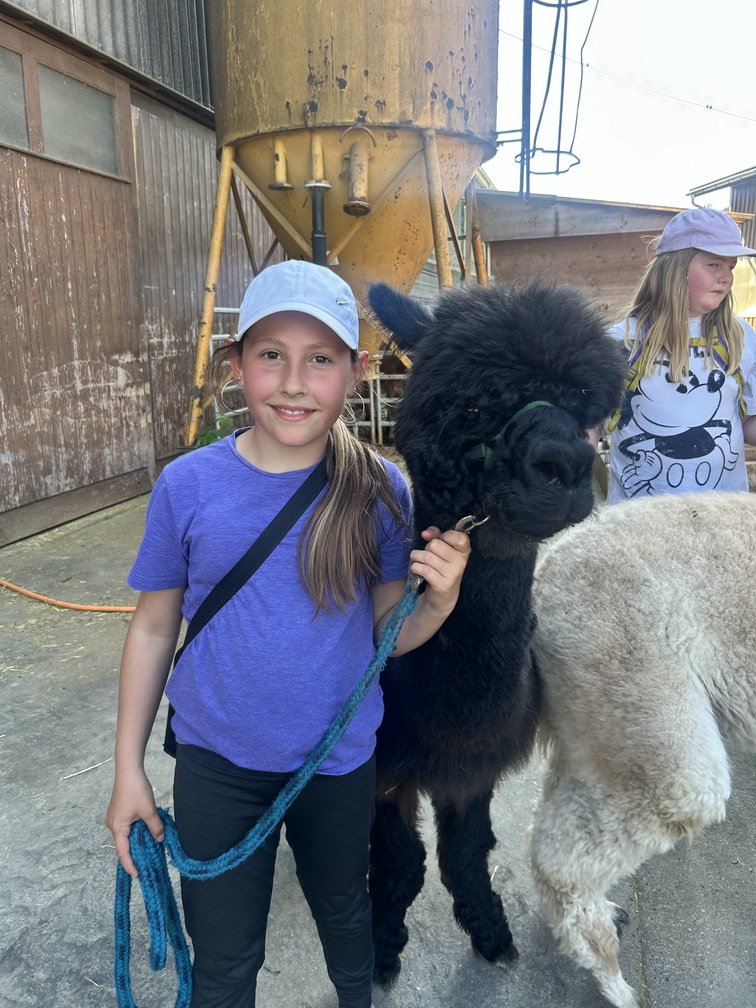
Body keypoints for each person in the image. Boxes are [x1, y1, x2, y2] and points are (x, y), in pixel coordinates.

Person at [105, 260, 471, 1008]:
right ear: (236, 364)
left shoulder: (380, 491)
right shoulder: (187, 486)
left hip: (335, 765)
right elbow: (153, 629)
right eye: (272, 354)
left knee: (344, 912)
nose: (295, 383)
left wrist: (439, 603)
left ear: (356, 373)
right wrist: (127, 770)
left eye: (321, 359)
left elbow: (386, 636)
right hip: (216, 765)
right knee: (223, 960)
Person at [605, 206, 756, 502]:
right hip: (640, 517)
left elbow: (747, 423)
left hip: (722, 513)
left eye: (731, 266)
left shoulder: (740, 337)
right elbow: (589, 427)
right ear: (675, 268)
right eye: (714, 264)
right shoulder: (621, 340)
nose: (726, 277)